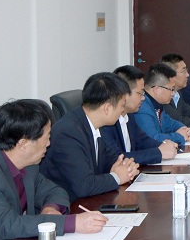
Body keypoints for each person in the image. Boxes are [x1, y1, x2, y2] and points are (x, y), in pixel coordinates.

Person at [0, 100, 107, 240]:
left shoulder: (27, 162)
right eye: (46, 137)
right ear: (23, 144)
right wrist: (73, 223)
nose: (49, 143)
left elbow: (54, 190)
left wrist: (51, 208)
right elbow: (8, 224)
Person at [40, 73, 140, 202]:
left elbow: (112, 159)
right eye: (122, 105)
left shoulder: (97, 125)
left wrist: (126, 167)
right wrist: (117, 177)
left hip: (90, 200)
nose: (122, 111)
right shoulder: (68, 133)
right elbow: (84, 185)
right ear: (107, 108)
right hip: (66, 206)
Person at [100, 66, 178, 165]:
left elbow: (142, 141)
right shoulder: (107, 123)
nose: (143, 98)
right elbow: (116, 158)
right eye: (140, 93)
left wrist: (163, 145)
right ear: (124, 94)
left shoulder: (129, 115)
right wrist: (158, 153)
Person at [134, 63, 190, 148]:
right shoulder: (142, 107)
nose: (173, 93)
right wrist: (179, 136)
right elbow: (153, 138)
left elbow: (171, 124)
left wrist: (185, 130)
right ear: (157, 89)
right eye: (171, 89)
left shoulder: (157, 104)